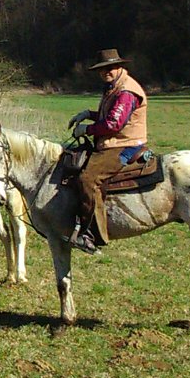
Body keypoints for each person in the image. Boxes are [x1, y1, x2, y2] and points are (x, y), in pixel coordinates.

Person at [66, 48, 149, 254]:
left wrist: (86, 129)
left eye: (110, 68)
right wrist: (89, 114)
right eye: (102, 70)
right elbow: (108, 115)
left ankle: (89, 233)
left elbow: (113, 123)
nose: (106, 72)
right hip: (114, 140)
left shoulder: (126, 91)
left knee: (88, 179)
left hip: (124, 144)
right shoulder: (114, 87)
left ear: (120, 66)